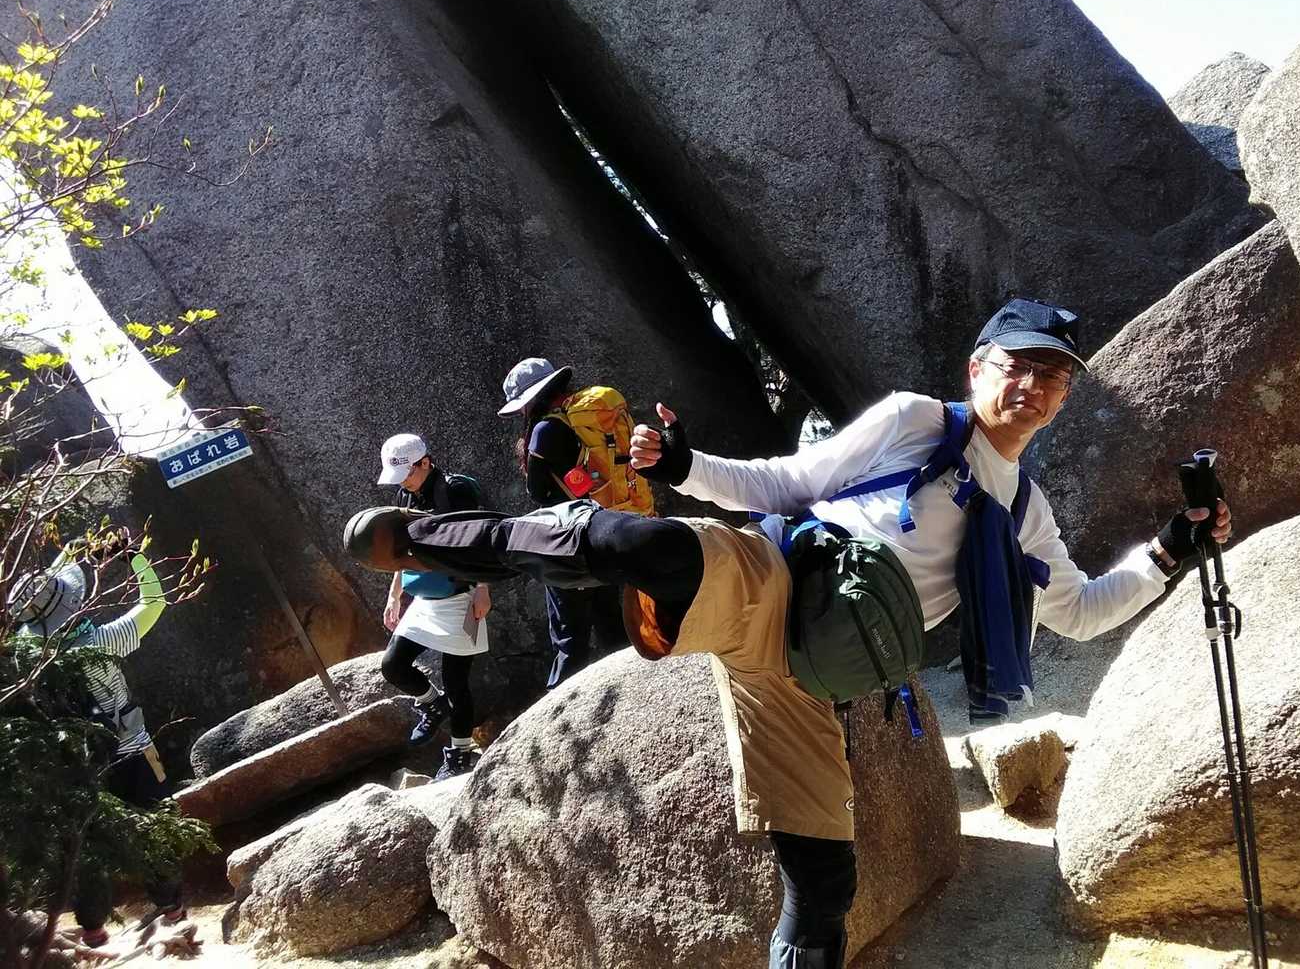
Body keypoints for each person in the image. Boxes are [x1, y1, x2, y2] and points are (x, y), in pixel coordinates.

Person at [345, 299, 1232, 969]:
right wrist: (687, 466)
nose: (1033, 387)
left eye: (1055, 376)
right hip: (778, 585)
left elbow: (1080, 610)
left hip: (816, 682)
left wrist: (1172, 550)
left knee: (825, 886)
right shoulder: (917, 421)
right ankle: (430, 539)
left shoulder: (1026, 511)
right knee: (641, 542)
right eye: (1019, 365)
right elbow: (788, 481)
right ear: (978, 368)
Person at [9, 532, 185, 949]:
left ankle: (92, 930)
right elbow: (154, 602)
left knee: (86, 849)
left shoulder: (26, 659)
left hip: (77, 768)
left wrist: (74, 550)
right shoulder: (101, 641)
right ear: (73, 605)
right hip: (133, 751)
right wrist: (133, 556)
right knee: (154, 827)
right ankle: (173, 912)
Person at [497, 357, 649, 687]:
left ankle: (561, 709)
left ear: (530, 400)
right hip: (608, 531)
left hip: (568, 542)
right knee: (612, 626)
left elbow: (538, 492)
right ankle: (636, 690)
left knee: (569, 639)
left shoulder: (544, 430)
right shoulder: (590, 419)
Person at [375, 433, 490, 781]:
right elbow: (401, 551)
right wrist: (394, 595)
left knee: (457, 682)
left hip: (461, 593)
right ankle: (431, 702)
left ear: (425, 462)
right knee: (393, 665)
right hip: (425, 595)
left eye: (407, 473)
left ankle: (460, 754)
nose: (403, 482)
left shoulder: (456, 490)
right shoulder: (405, 495)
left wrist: (483, 588)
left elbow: (482, 538)